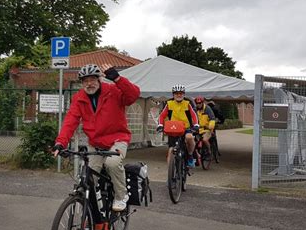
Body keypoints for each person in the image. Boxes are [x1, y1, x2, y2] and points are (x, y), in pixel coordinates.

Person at [52, 63, 140, 212]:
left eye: (93, 79)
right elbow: (70, 121)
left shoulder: (113, 91)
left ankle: (121, 195)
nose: (89, 84)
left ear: (99, 79)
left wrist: (118, 79)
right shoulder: (79, 98)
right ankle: (91, 218)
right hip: (96, 143)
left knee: (112, 164)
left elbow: (133, 95)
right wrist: (60, 142)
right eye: (85, 81)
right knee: (88, 178)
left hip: (117, 139)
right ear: (82, 83)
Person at [156, 84, 199, 168]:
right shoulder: (169, 103)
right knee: (170, 150)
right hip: (173, 129)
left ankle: (190, 156)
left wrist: (196, 124)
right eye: (176, 93)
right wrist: (160, 125)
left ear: (184, 94)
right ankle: (171, 173)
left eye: (181, 93)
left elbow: (194, 115)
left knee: (189, 137)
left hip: (186, 127)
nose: (179, 95)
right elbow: (162, 115)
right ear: (173, 94)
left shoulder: (187, 103)